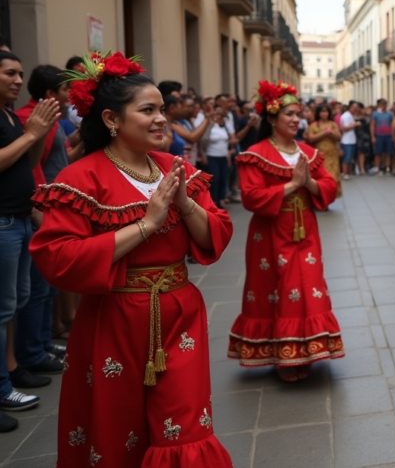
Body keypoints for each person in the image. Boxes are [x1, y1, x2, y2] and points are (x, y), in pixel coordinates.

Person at [30, 52, 234, 464]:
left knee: (184, 427)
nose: (162, 119)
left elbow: (218, 230)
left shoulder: (176, 169)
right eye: (148, 110)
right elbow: (58, 257)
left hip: (179, 312)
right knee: (118, 430)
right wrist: (147, 223)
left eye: (161, 109)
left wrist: (185, 204)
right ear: (111, 119)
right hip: (113, 319)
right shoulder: (80, 178)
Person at [229, 80, 343, 382]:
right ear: (271, 119)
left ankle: (308, 347)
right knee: (278, 286)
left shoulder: (307, 152)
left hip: (305, 228)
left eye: (298, 114)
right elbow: (251, 196)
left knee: (309, 283)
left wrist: (308, 184)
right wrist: (292, 185)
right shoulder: (255, 153)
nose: (296, 119)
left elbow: (329, 185)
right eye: (289, 114)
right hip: (270, 233)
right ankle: (282, 352)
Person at [0, 52, 60, 432]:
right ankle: (4, 383)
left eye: (21, 74)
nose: (18, 80)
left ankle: (13, 369)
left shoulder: (9, 114)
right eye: (10, 73)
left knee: (16, 303)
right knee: (3, 309)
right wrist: (32, 134)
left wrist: (38, 134)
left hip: (21, 218)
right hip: (4, 222)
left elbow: (30, 160)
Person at [200, 106, 237, 209]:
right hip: (212, 156)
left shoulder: (224, 127)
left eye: (221, 115)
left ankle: (221, 199)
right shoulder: (209, 126)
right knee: (214, 180)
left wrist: (229, 156)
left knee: (223, 179)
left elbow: (229, 142)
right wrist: (203, 155)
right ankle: (214, 201)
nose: (218, 117)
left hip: (223, 156)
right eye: (216, 114)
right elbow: (202, 141)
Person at [304, 104, 343, 197]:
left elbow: (339, 137)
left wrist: (331, 133)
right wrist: (324, 133)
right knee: (321, 177)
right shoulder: (314, 125)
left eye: (326, 112)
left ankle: (329, 197)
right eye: (322, 112)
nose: (324, 114)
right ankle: (321, 197)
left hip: (332, 155)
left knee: (332, 176)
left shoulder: (333, 124)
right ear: (318, 113)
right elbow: (310, 139)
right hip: (319, 155)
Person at [370, 98, 394, 176]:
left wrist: (393, 136)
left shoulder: (389, 114)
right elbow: (372, 125)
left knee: (388, 153)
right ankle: (377, 168)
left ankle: (387, 169)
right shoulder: (375, 114)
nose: (384, 105)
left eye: (385, 104)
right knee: (378, 153)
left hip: (388, 136)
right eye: (382, 104)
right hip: (378, 136)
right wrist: (373, 136)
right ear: (379, 104)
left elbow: (392, 125)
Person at [337, 101, 357, 181]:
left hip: (351, 140)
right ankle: (344, 173)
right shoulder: (346, 116)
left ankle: (347, 172)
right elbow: (344, 128)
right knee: (346, 158)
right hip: (346, 140)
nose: (356, 109)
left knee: (350, 158)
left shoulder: (351, 116)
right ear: (350, 107)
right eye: (354, 108)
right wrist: (355, 124)